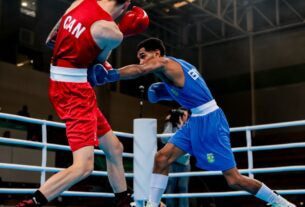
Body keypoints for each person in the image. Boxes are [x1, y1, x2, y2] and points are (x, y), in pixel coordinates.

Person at [88, 37, 296, 207]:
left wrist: (109, 75)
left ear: (157, 54)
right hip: (196, 119)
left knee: (233, 179)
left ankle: (279, 202)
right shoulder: (172, 71)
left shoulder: (166, 63)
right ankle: (153, 204)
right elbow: (178, 94)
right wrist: (160, 92)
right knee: (161, 159)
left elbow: (140, 70)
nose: (142, 61)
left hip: (210, 121)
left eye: (143, 56)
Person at [16, 1, 149, 207]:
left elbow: (53, 36)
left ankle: (123, 200)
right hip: (74, 91)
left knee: (114, 148)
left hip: (61, 81)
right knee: (83, 166)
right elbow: (98, 67)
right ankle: (30, 204)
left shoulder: (82, 1)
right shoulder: (112, 32)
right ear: (126, 6)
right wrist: (120, 34)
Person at [161, 108, 190, 207]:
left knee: (183, 189)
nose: (183, 116)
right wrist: (168, 122)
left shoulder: (189, 126)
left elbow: (188, 142)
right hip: (172, 162)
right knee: (170, 188)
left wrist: (182, 127)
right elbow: (164, 138)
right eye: (181, 114)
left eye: (185, 115)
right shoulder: (171, 125)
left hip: (184, 163)